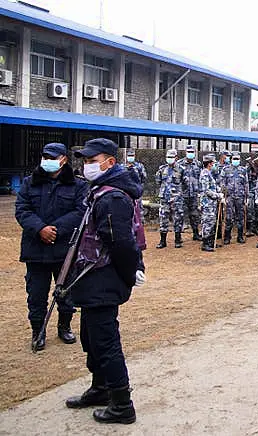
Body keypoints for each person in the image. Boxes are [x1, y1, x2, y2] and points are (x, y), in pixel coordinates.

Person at [66, 138, 145, 424]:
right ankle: (100, 388)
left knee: (105, 341)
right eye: (85, 161)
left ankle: (122, 404)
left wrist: (127, 275)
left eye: (91, 160)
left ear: (109, 162)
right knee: (91, 337)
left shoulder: (112, 197)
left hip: (104, 278)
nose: (86, 165)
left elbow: (121, 243)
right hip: (91, 277)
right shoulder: (99, 190)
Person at [15, 143, 88, 351]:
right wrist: (40, 229)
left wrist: (55, 229)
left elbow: (80, 212)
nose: (47, 160)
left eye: (52, 157)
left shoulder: (78, 185)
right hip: (35, 249)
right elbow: (22, 210)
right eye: (45, 156)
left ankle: (64, 326)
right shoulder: (30, 183)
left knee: (66, 293)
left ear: (63, 159)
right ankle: (38, 331)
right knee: (36, 295)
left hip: (65, 249)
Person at [155, 149, 184, 248]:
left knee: (178, 219)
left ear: (176, 158)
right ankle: (163, 241)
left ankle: (177, 240)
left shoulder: (181, 169)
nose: (169, 159)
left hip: (177, 199)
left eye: (172, 157)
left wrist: (178, 194)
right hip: (165, 198)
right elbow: (158, 182)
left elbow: (185, 183)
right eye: (168, 157)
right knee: (163, 218)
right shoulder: (162, 169)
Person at [219, 151, 249, 245]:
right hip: (229, 197)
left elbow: (246, 184)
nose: (236, 160)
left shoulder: (243, 170)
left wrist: (247, 197)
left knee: (240, 217)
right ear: (231, 159)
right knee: (229, 217)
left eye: (237, 159)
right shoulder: (226, 169)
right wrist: (222, 195)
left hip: (240, 197)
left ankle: (240, 236)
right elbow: (222, 182)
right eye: (234, 159)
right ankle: (227, 237)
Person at [177, 144, 202, 241]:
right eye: (189, 152)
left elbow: (200, 178)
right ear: (185, 152)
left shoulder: (198, 164)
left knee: (195, 215)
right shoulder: (179, 164)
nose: (191, 154)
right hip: (182, 194)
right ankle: (178, 237)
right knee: (179, 215)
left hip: (194, 195)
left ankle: (196, 234)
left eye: (192, 152)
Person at [199, 154, 223, 252]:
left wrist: (219, 190)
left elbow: (212, 187)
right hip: (207, 203)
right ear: (209, 164)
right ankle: (205, 244)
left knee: (212, 222)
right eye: (213, 163)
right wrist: (218, 195)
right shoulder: (204, 173)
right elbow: (206, 190)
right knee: (207, 223)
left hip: (212, 203)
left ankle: (210, 242)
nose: (214, 164)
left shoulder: (209, 173)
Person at [124, 148, 147, 224]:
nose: (130, 157)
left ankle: (140, 223)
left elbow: (143, 178)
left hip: (136, 191)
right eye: (129, 155)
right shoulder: (122, 166)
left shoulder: (139, 166)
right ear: (126, 156)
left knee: (139, 208)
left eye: (132, 155)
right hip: (125, 192)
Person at [245, 151, 258, 237]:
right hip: (250, 191)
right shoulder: (247, 166)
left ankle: (256, 228)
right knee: (250, 210)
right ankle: (249, 229)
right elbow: (245, 179)